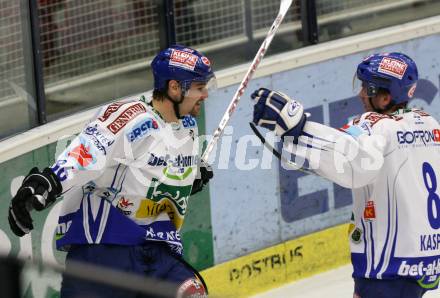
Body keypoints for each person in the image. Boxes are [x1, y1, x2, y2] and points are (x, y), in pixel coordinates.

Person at [8, 44, 214, 298]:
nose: (205, 94)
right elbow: (90, 149)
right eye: (199, 87)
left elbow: (160, 169)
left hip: (157, 250)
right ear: (174, 87)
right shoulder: (132, 117)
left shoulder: (188, 127)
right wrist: (50, 181)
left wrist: (191, 176)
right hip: (107, 249)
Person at [251, 52, 440, 298]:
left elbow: (352, 164)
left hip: (387, 266)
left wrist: (298, 129)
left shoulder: (375, 126)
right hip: (425, 258)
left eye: (367, 88)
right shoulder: (429, 123)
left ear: (385, 97)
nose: (361, 94)